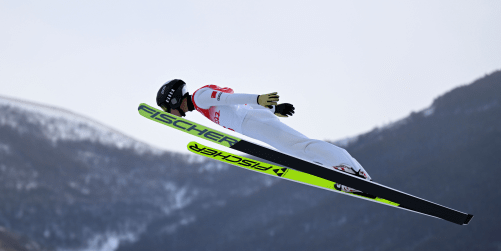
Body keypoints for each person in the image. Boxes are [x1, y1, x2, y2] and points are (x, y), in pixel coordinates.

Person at [156, 79, 371, 192]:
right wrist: (272, 109)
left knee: (298, 147)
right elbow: (236, 104)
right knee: (297, 150)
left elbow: (229, 99)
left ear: (174, 99)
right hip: (252, 119)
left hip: (250, 122)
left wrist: (258, 99)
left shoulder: (200, 97)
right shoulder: (201, 103)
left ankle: (347, 169)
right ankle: (345, 171)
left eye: (167, 108)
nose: (170, 113)